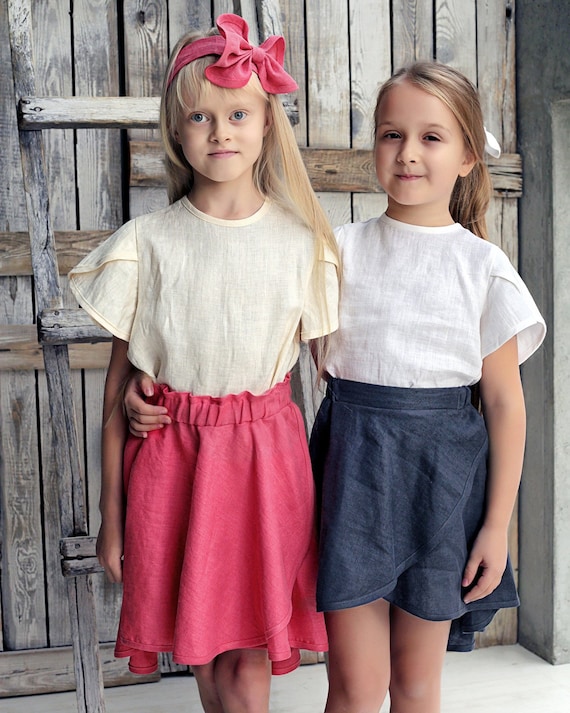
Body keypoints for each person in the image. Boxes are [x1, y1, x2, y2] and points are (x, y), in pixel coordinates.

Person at [125, 60, 547, 712]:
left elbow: (503, 403)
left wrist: (496, 526)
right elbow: (241, 333)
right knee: (353, 687)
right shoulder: (334, 249)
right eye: (390, 135)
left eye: (431, 138)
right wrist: (151, 381)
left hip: (442, 490)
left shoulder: (482, 268)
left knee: (415, 686)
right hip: (352, 484)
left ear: (468, 155)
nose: (407, 154)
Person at [68, 13, 339, 713]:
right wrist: (111, 516)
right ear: (176, 131)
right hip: (174, 465)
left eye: (238, 113)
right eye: (200, 116)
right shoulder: (148, 243)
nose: (220, 131)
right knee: (207, 658)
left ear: (266, 122)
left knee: (249, 659)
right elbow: (115, 394)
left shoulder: (300, 241)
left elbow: (339, 372)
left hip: (263, 466)